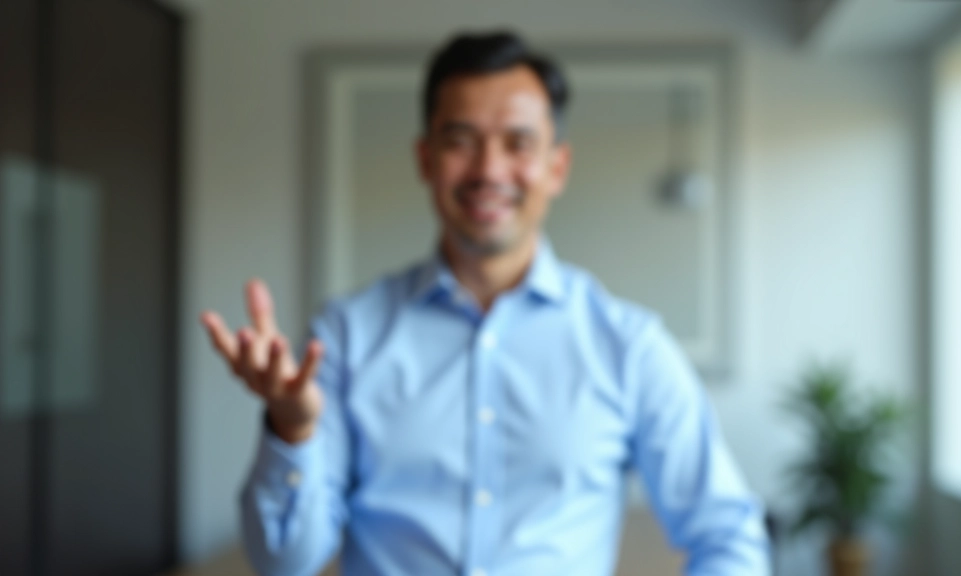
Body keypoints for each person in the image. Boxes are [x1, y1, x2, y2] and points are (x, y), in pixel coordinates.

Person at [201, 30, 769, 576]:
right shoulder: (346, 336)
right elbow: (284, 562)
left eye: (518, 143)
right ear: (425, 159)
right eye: (460, 141)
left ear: (557, 166)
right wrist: (292, 428)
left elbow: (728, 537)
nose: (489, 170)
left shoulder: (629, 347)